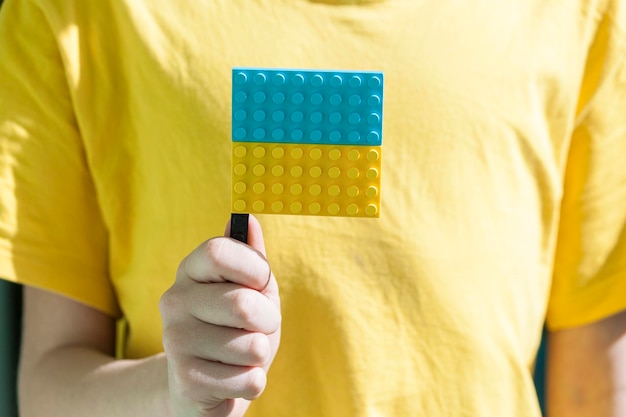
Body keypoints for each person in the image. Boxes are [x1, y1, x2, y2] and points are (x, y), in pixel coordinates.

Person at [1, 1, 625, 416]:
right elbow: (48, 382)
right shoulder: (81, 13)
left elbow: (597, 381)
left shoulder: (583, 13)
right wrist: (171, 391)